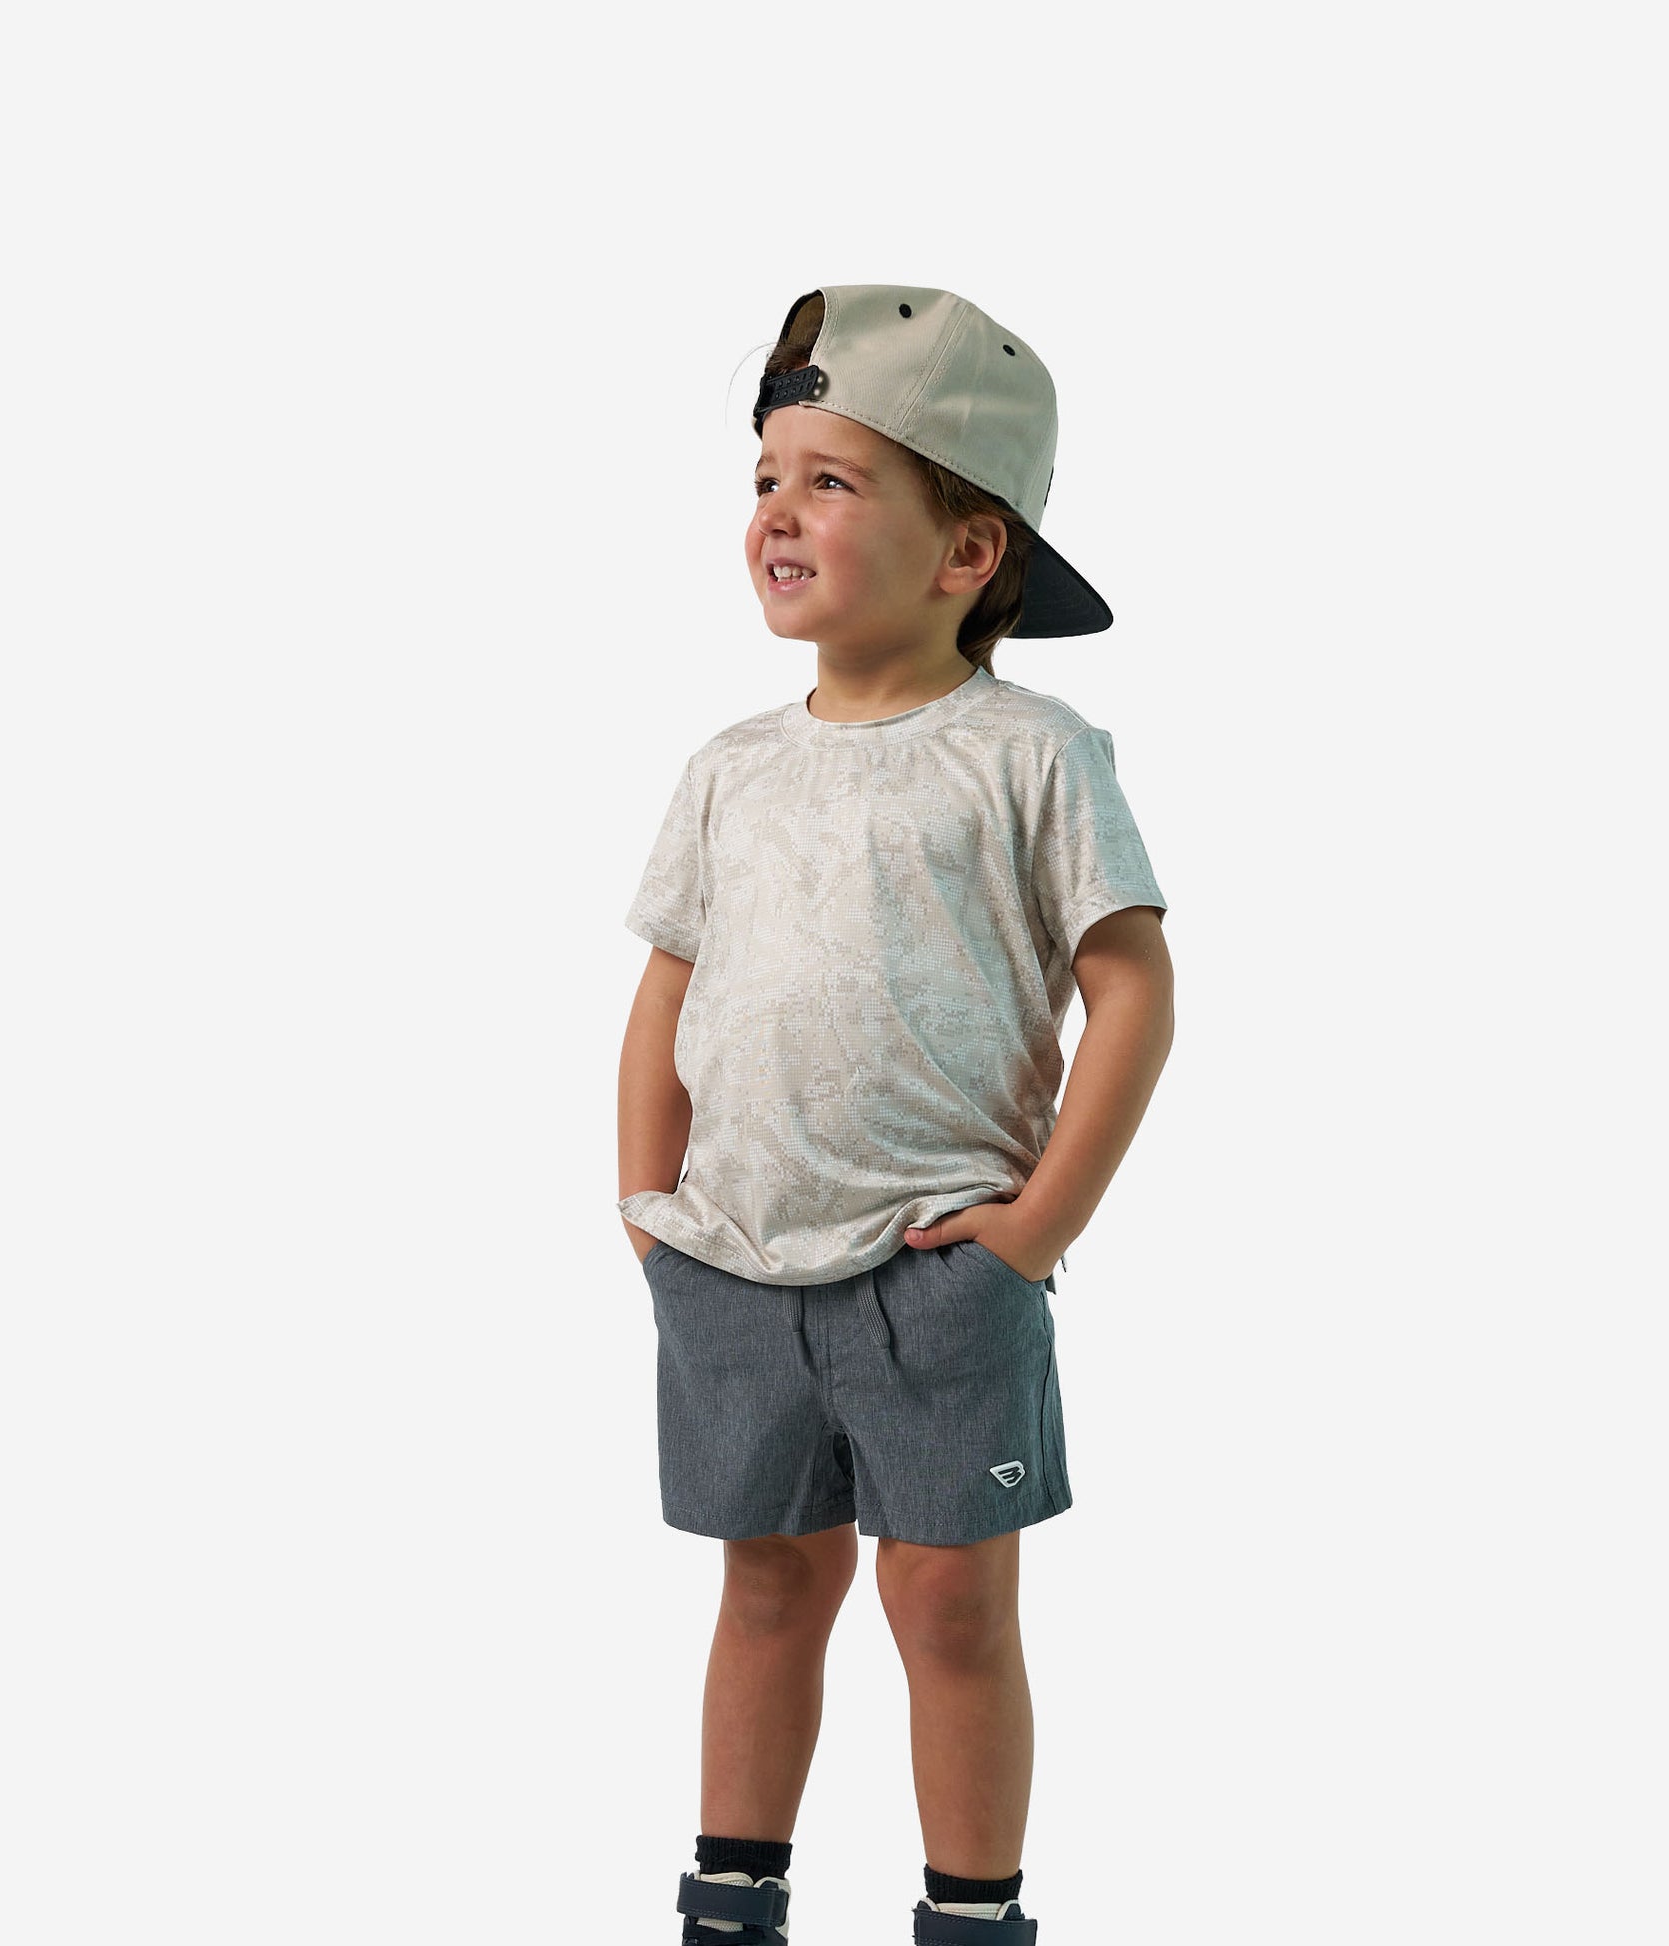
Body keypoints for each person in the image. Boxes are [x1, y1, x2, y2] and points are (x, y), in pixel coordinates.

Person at [615, 285, 1174, 1945]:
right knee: (766, 1584)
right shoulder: (728, 766)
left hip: (938, 1275)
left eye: (831, 480)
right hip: (729, 1265)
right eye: (764, 479)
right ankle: (732, 1897)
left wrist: (1032, 1231)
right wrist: (646, 1211)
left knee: (947, 1604)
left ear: (966, 552)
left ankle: (971, 1912)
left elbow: (1132, 990)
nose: (776, 513)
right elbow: (664, 995)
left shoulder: (1030, 754)